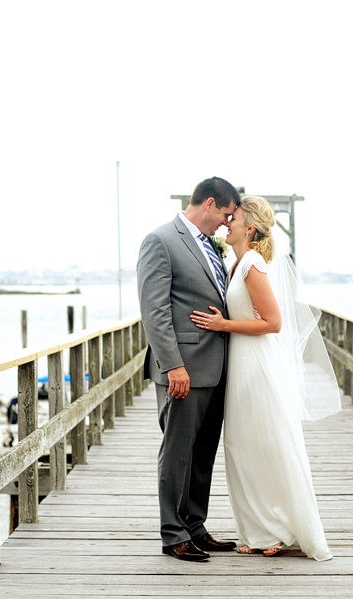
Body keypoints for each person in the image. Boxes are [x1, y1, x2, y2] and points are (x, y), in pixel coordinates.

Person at [190, 195, 340, 560]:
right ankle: (260, 527)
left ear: (250, 227)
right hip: (240, 362)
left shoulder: (253, 262)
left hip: (257, 364)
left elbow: (273, 322)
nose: (227, 222)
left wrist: (224, 324)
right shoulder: (235, 262)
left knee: (265, 443)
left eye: (234, 217)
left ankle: (274, 529)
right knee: (244, 446)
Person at [136, 176, 241, 562]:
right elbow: (155, 312)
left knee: (202, 455)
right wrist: (174, 365)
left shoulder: (210, 245)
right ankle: (173, 534)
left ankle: (195, 526)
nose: (227, 223)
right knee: (177, 453)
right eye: (226, 214)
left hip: (216, 369)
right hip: (183, 370)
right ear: (210, 204)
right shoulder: (161, 241)